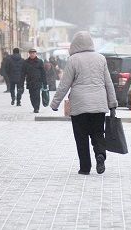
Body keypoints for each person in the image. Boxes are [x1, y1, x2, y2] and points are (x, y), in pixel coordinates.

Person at [50, 31, 118, 175]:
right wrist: (112, 103)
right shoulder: (101, 59)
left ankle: (85, 167)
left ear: (75, 44)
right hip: (99, 105)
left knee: (81, 137)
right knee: (98, 133)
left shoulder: (73, 60)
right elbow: (108, 83)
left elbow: (64, 84)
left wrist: (55, 103)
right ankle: (100, 155)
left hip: (79, 105)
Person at [22, 49, 47, 113]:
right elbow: (23, 73)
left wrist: (45, 83)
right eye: (31, 53)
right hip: (30, 82)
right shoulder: (26, 62)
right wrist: (21, 83)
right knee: (31, 96)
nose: (32, 54)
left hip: (38, 81)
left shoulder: (40, 61)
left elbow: (43, 73)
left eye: (33, 53)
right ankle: (34, 106)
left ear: (36, 54)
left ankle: (37, 108)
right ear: (29, 54)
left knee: (37, 95)